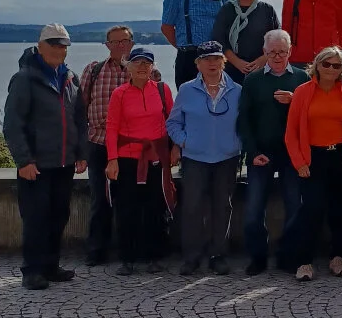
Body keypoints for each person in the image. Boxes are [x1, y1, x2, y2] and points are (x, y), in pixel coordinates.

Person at [1, 24, 88, 290]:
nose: (59, 50)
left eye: (63, 45)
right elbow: (13, 124)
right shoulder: (25, 78)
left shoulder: (70, 77)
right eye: (54, 44)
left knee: (58, 215)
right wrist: (24, 160)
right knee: (36, 218)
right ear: (40, 46)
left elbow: (79, 119)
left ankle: (51, 266)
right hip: (36, 165)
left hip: (63, 162)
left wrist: (81, 153)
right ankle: (32, 271)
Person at [79, 24, 155, 265]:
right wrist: (79, 148)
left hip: (131, 148)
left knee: (131, 201)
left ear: (131, 43)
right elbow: (80, 108)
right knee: (100, 198)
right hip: (99, 142)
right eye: (114, 42)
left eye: (124, 41)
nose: (120, 46)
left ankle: (138, 251)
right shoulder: (93, 70)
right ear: (107, 45)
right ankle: (97, 250)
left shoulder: (144, 70)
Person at [166, 41, 242, 276]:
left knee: (223, 207)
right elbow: (173, 122)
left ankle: (218, 255)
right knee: (192, 208)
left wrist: (237, 144)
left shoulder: (237, 90)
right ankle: (191, 257)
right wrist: (185, 141)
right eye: (206, 59)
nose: (212, 63)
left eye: (216, 58)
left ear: (224, 62)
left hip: (227, 158)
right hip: (195, 159)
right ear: (197, 64)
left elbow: (245, 124)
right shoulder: (187, 90)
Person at [237, 30, 309, 275]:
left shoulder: (302, 79)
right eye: (272, 52)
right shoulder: (253, 80)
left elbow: (310, 117)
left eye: (282, 52)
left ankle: (287, 256)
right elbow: (244, 120)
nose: (277, 57)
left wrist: (296, 100)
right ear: (264, 52)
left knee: (294, 206)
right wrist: (252, 151)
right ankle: (258, 257)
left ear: (290, 51)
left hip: (292, 154)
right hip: (261, 153)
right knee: (253, 209)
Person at [104, 47, 177, 275]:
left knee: (156, 208)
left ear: (153, 67)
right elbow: (111, 127)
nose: (143, 67)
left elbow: (173, 122)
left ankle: (156, 256)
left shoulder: (163, 91)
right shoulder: (120, 94)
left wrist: (176, 150)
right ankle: (128, 258)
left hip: (156, 157)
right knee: (127, 210)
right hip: (128, 159)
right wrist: (112, 159)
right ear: (129, 66)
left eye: (147, 63)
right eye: (138, 62)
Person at [284, 46, 342, 281]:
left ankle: (337, 257)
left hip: (340, 156)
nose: (331, 69)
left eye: (336, 65)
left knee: (339, 210)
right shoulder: (303, 92)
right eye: (326, 64)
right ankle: (304, 261)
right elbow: (291, 133)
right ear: (317, 65)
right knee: (312, 210)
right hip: (313, 158)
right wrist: (300, 162)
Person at [161, 0, 230, 87]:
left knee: (218, 99)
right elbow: (166, 27)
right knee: (188, 102)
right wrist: (184, 47)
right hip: (189, 58)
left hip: (216, 58)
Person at [210, 0, 280, 85]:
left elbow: (277, 38)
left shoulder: (267, 10)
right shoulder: (226, 10)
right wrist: (237, 62)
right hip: (231, 71)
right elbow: (219, 40)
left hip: (262, 70)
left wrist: (263, 59)